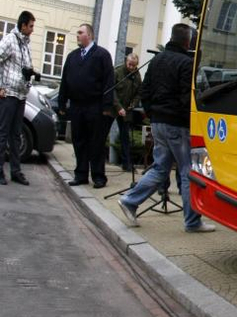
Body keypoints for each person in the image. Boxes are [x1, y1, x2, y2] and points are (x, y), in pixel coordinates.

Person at [119, 24, 215, 233]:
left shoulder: (157, 60)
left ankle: (130, 201)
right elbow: (185, 98)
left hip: (158, 122)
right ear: (187, 42)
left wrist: (152, 114)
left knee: (161, 168)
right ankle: (192, 222)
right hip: (177, 125)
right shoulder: (186, 63)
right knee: (188, 171)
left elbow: (145, 90)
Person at [58, 23, 115, 188]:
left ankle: (98, 176)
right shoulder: (73, 56)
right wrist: (62, 102)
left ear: (89, 35)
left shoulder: (102, 55)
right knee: (79, 141)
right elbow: (65, 81)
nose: (77, 35)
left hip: (95, 106)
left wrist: (106, 106)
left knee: (96, 142)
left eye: (80, 32)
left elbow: (108, 82)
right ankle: (81, 174)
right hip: (76, 106)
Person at [0, 10, 36, 186]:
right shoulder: (9, 40)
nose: (32, 29)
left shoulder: (26, 44)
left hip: (21, 95)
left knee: (16, 135)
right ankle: (0, 171)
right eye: (31, 26)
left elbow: (26, 67)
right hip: (8, 95)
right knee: (3, 133)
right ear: (23, 25)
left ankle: (16, 172)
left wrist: (30, 77)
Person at [111, 52, 142, 172]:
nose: (131, 67)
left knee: (125, 137)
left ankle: (127, 164)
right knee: (102, 133)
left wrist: (133, 104)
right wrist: (119, 108)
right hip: (113, 108)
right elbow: (112, 91)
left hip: (127, 109)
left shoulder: (137, 75)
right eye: (129, 64)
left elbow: (139, 92)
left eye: (134, 65)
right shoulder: (117, 71)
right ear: (126, 62)